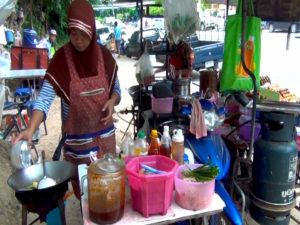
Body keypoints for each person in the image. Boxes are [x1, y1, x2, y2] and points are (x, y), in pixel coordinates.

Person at [13, 0, 121, 199]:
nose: (78, 41)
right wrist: (30, 129)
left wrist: (112, 102)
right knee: (86, 196)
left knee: (107, 194)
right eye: (73, 34)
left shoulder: (104, 57)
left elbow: (116, 90)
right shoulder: (62, 60)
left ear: (92, 31)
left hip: (106, 142)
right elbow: (44, 98)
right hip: (78, 145)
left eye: (83, 35)